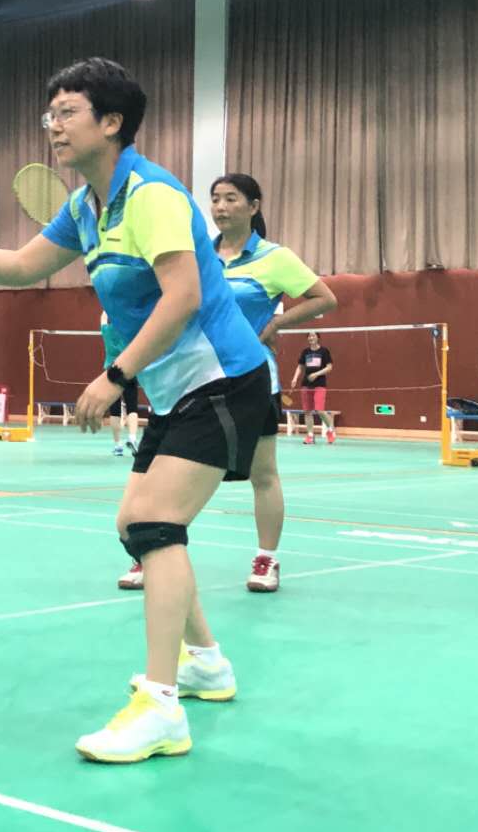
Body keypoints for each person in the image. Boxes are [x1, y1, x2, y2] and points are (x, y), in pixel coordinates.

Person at [0, 57, 270, 763]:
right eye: (51, 114)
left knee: (156, 524)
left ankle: (161, 707)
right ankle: (206, 663)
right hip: (175, 387)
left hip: (222, 376)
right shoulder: (86, 206)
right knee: (135, 525)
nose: (54, 126)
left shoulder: (152, 196)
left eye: (68, 112)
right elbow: (22, 266)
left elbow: (184, 296)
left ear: (112, 122)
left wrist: (115, 375)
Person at [121, 174, 337, 595]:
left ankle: (267, 558)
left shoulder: (275, 257)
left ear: (254, 206)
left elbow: (324, 298)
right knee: (164, 470)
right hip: (192, 380)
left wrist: (275, 323)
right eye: (215, 199)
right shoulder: (199, 255)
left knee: (263, 473)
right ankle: (150, 552)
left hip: (250, 381)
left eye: (231, 199)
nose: (220, 207)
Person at [101, 311, 140, 458]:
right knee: (132, 407)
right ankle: (132, 438)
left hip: (111, 371)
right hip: (128, 369)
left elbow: (103, 317)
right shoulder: (127, 332)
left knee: (115, 411)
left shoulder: (106, 331)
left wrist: (107, 308)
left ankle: (117, 445)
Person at [290, 332, 336, 444]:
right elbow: (300, 367)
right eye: (309, 336)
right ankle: (310, 435)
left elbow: (329, 367)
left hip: (320, 384)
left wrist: (316, 374)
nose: (311, 338)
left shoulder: (324, 351)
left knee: (320, 410)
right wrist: (295, 378)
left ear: (318, 338)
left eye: (313, 335)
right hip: (306, 384)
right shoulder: (305, 352)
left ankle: (330, 430)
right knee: (307, 411)